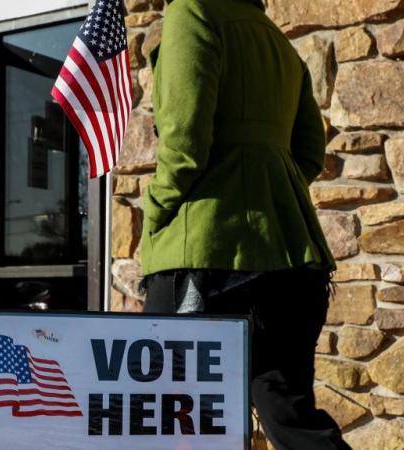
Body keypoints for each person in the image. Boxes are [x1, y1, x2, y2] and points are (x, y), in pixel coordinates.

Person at [140, 0, 351, 448]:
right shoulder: (278, 41)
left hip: (204, 254)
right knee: (290, 415)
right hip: (294, 256)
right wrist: (270, 192)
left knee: (167, 419)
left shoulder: (191, 13)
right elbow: (310, 153)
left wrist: (154, 214)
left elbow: (183, 144)